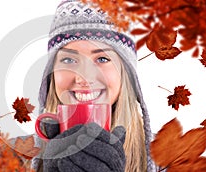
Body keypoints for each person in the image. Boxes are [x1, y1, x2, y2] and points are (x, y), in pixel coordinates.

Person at [31, 0, 157, 171]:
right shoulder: (9, 157)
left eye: (102, 59)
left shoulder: (171, 159)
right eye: (68, 60)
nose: (84, 77)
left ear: (126, 73)